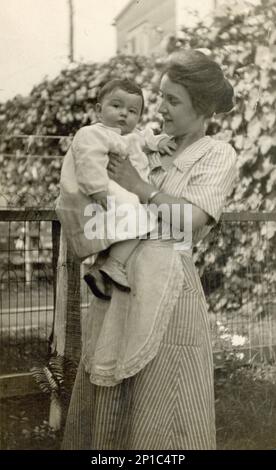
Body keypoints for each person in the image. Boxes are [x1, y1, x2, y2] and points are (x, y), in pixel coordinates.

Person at [61, 49, 237, 450]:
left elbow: (191, 220)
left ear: (203, 107)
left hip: (168, 291)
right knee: (111, 400)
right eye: (161, 97)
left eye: (173, 100)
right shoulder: (146, 145)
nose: (160, 108)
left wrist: (142, 188)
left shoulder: (216, 155)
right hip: (118, 283)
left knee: (163, 403)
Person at [56, 79, 175, 300]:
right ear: (99, 110)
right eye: (116, 106)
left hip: (116, 191)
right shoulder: (92, 133)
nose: (123, 114)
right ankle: (114, 265)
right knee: (143, 219)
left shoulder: (129, 136)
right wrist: (97, 188)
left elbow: (145, 139)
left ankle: (100, 268)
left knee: (123, 227)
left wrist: (158, 144)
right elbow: (88, 161)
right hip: (97, 190)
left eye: (132, 111)